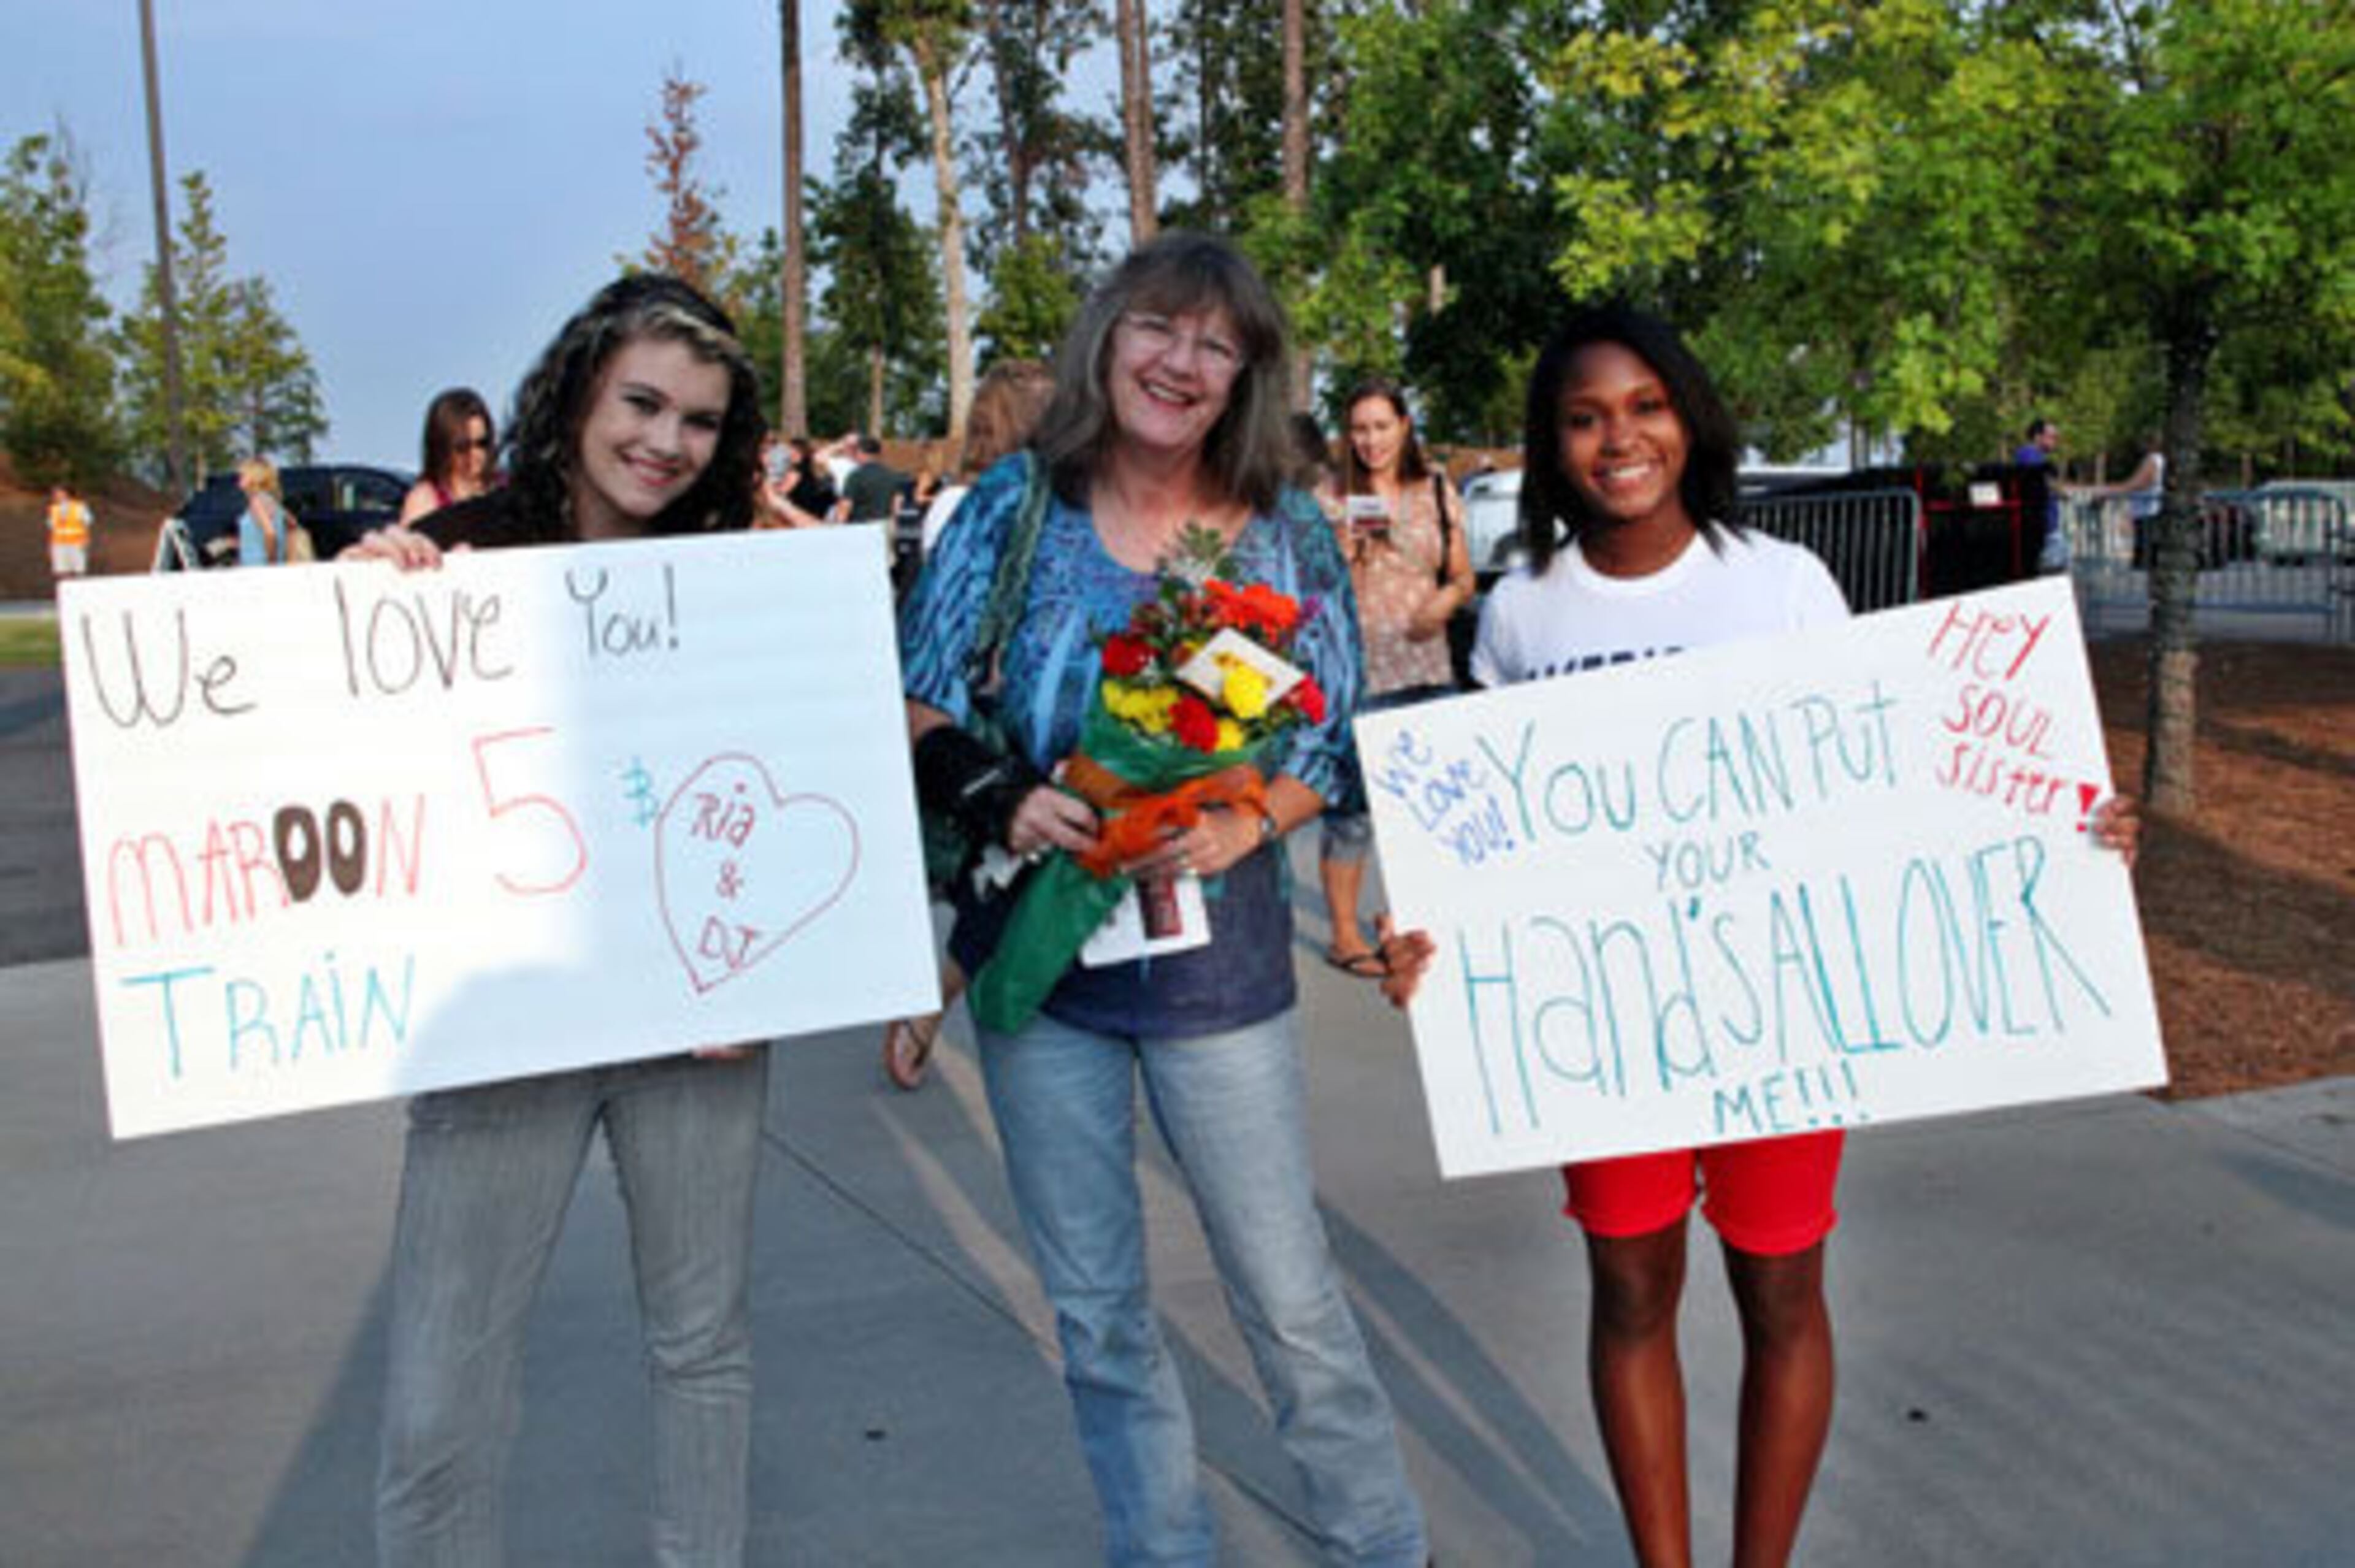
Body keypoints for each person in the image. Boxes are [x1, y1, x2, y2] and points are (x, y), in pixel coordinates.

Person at [1376, 302, 2139, 1568]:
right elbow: (1483, 838)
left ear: (1690, 418)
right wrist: (1431, 939)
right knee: (1629, 1293)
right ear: (1552, 444)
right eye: (1584, 417)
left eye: (1646, 406)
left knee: (1781, 1291)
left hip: (1778, 1013)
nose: (1618, 438)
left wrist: (2065, 830)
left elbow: (1898, 782)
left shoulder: (1783, 584)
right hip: (1605, 1030)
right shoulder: (1520, 612)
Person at [898, 232, 1430, 1566]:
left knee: (1289, 1298)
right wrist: (999, 795)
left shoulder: (1285, 524)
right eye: (1156, 328)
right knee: (1098, 1314)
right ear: (1105, 338)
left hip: (1218, 976)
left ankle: (1381, 1545)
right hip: (1046, 976)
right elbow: (918, 699)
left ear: (1243, 374)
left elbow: (1332, 729)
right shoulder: (1014, 507)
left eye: (1215, 343)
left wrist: (1252, 815)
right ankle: (1164, 1549)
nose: (1180, 363)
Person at [346, 274, 773, 1568]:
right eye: (642, 401)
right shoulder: (462, 553)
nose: (665, 440)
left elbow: (788, 782)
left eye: (699, 420)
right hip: (505, 1016)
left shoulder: (745, 582)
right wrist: (359, 601)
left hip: (698, 1018)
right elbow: (350, 755)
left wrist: (773, 965)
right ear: (581, 389)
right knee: (440, 1391)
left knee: (703, 1349)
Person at [883, 357, 1057, 1090]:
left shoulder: (979, 494)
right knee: (1007, 876)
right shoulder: (992, 500)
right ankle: (935, 1001)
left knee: (1009, 877)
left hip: (967, 710)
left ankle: (936, 1000)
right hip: (966, 721)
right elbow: (957, 623)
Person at [1314, 380, 1472, 978]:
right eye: (1359, 428)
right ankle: (1346, 934)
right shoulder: (1328, 496)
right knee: (1354, 810)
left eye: (1381, 426)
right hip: (1360, 671)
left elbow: (1462, 577)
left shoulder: (1435, 488)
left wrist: (1447, 601)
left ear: (1404, 425)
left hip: (1430, 669)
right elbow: (1305, 592)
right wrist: (1338, 551)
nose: (1371, 440)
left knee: (1434, 806)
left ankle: (1421, 926)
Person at [398, 386, 499, 526]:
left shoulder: (503, 489)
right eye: (463, 447)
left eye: (482, 444)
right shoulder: (424, 501)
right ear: (442, 447)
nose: (475, 454)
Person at [2013, 416, 2067, 574]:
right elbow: (2048, 485)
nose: (2055, 441)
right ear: (2037, 437)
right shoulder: (2029, 456)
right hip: (2044, 531)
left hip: (2048, 529)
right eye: (2051, 437)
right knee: (2054, 577)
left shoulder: (2037, 458)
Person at [234, 457, 293, 565]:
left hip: (258, 567)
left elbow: (270, 533)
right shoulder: (272, 501)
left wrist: (271, 563)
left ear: (255, 477)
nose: (239, 480)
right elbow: (292, 525)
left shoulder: (256, 501)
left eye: (243, 476)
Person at [46, 484, 91, 580]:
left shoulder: (79, 507)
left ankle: (79, 589)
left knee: (78, 569)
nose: (56, 495)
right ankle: (66, 588)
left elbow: (88, 521)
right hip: (59, 543)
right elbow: (51, 525)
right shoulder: (54, 509)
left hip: (76, 542)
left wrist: (85, 540)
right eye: (55, 494)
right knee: (61, 569)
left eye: (58, 493)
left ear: (66, 494)